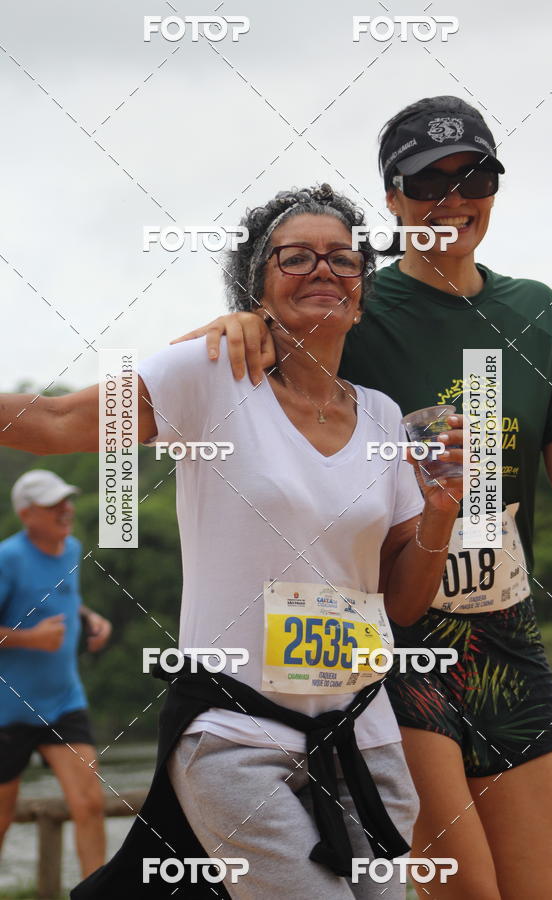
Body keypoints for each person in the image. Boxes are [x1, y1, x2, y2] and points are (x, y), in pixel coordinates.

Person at [176, 96, 552, 899]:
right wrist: (240, 322)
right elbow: (234, 358)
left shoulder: (535, 310)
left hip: (506, 637)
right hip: (392, 640)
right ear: (393, 199)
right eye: (427, 182)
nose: (453, 199)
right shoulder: (358, 310)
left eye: (473, 176)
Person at [1, 185, 464, 899]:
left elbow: (401, 604)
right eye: (296, 257)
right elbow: (58, 422)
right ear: (257, 289)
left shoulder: (383, 417)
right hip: (237, 735)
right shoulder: (210, 378)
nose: (323, 269)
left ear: (361, 296)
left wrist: (440, 514)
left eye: (343, 258)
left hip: (364, 737)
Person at [0, 469, 112, 878]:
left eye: (66, 500)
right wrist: (31, 638)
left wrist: (88, 616)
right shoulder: (8, 558)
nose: (66, 509)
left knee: (90, 804)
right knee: (2, 819)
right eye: (53, 504)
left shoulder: (72, 549)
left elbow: (59, 598)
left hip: (63, 702)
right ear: (26, 514)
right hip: (7, 710)